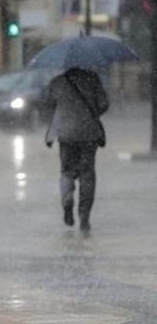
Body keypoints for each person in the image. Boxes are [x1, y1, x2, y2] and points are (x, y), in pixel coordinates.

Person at [45, 67, 108, 233]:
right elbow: (103, 104)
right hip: (88, 134)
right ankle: (84, 215)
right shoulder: (92, 79)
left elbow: (49, 105)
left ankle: (67, 201)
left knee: (67, 171)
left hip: (65, 135)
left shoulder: (58, 82)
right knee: (87, 173)